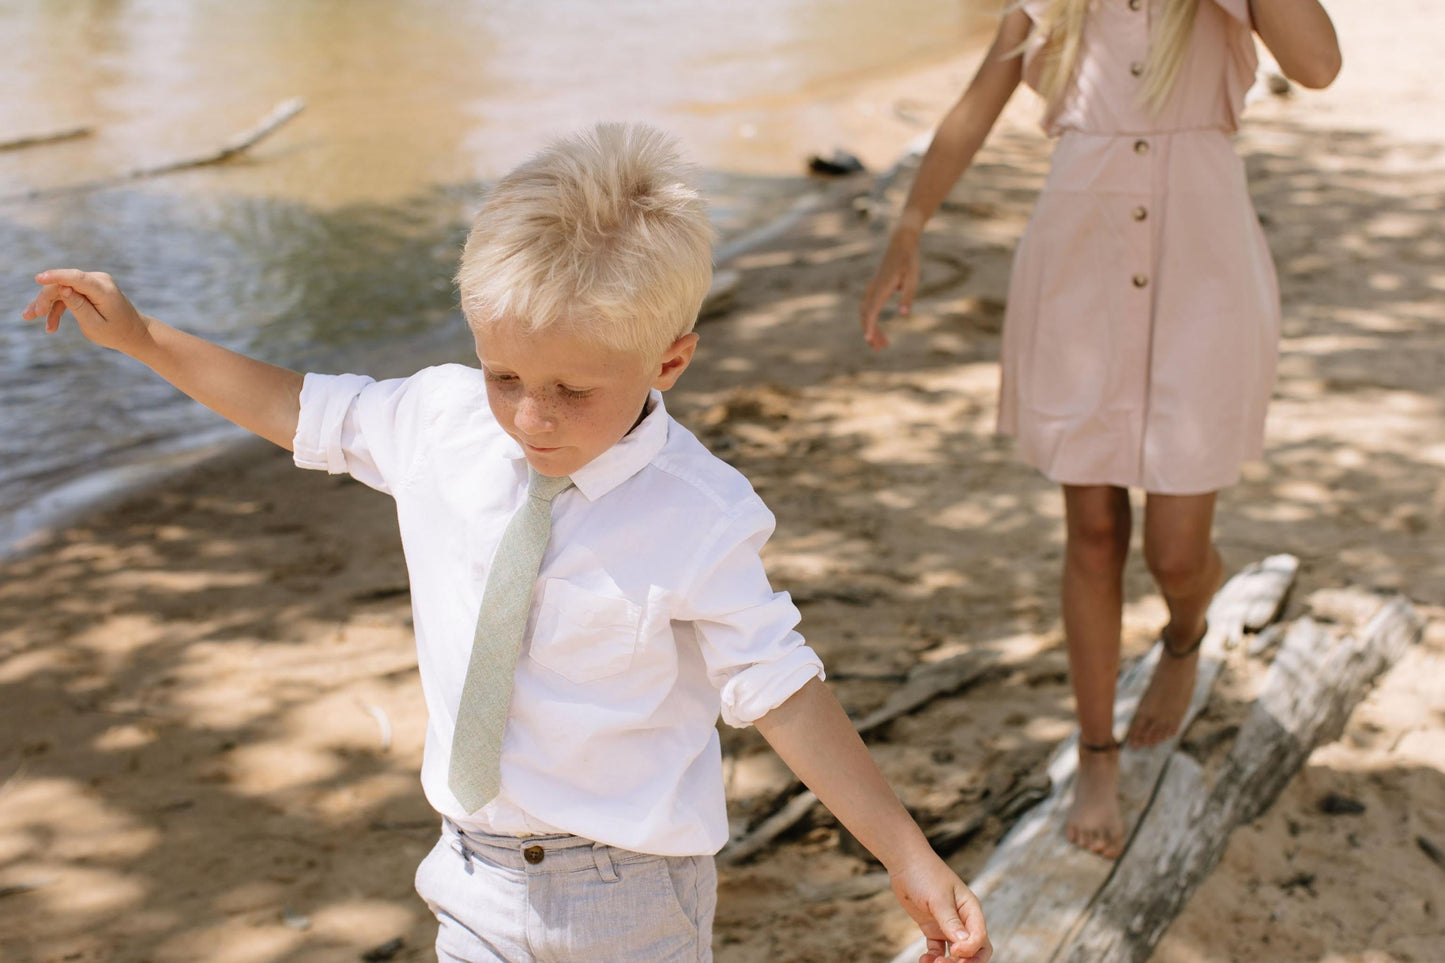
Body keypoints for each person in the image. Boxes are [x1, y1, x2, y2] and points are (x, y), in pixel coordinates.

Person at [24, 123, 990, 963]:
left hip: (631, 891)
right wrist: (147, 337)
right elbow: (293, 405)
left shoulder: (699, 511)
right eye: (504, 374)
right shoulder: (441, 420)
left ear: (670, 359)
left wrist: (906, 851)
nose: (530, 417)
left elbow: (780, 689)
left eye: (573, 390)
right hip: (469, 873)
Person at [859, 0, 1340, 859]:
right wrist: (909, 225)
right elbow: (977, 101)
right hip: (1080, 266)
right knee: (1090, 532)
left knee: (1178, 556)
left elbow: (1318, 65)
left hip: (1203, 270)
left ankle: (1186, 630)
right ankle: (1096, 754)